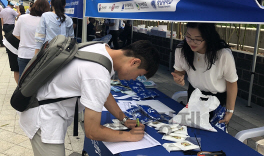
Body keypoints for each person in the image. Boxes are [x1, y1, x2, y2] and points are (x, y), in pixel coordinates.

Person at [19, 40, 160, 156]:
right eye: (139, 75)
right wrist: (130, 137)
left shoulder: (101, 47)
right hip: (44, 119)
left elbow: (104, 93)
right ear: (134, 62)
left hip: (47, 106)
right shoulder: (98, 73)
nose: (134, 79)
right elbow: (93, 131)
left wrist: (123, 119)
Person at [171, 23, 238, 125]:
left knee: (213, 133)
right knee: (190, 128)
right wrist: (178, 77)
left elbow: (232, 83)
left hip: (217, 99)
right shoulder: (182, 50)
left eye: (198, 39)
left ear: (209, 38)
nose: (191, 42)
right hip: (194, 95)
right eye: (188, 36)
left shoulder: (223, 55)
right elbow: (179, 71)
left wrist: (230, 111)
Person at [13, 0, 50, 80]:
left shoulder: (22, 18)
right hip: (41, 55)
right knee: (38, 80)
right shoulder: (47, 20)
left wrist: (25, 39)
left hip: (24, 54)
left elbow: (15, 34)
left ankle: (21, 93)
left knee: (22, 79)